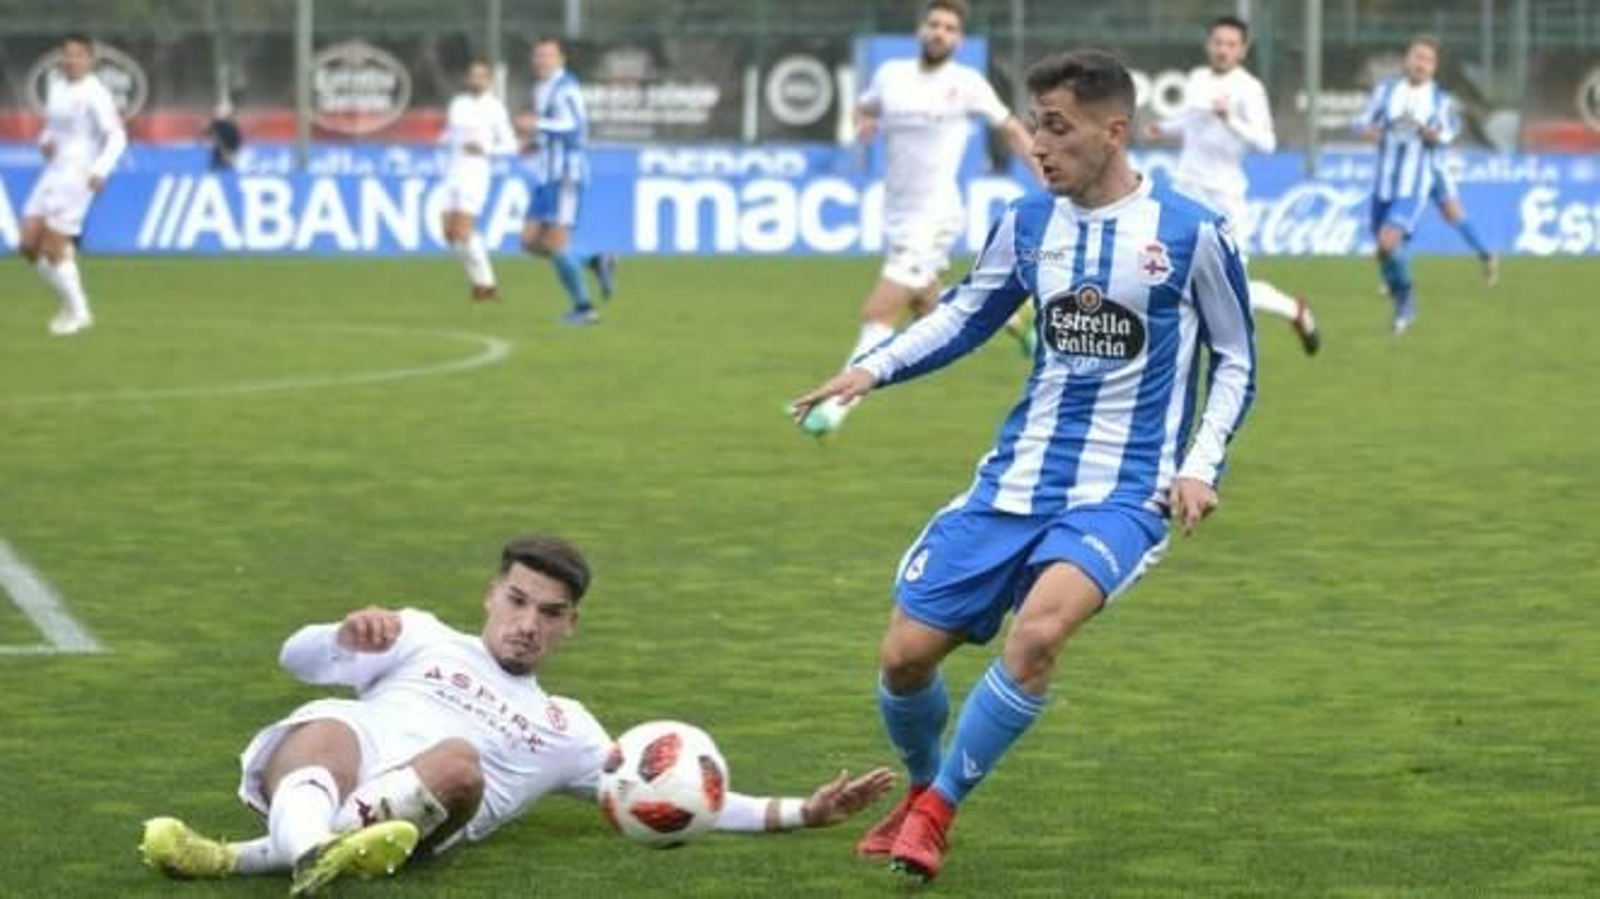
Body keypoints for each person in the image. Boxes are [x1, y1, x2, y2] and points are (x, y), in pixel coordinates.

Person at [790, 48, 1255, 883]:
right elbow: (967, 313)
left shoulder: (1191, 233)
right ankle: (922, 785)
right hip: (1014, 479)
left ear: (1115, 132)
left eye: (1057, 128)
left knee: (1038, 632)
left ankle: (936, 811)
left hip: (1125, 491)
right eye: (1036, 125)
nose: (1037, 145)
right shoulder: (1028, 222)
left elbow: (1236, 358)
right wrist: (873, 369)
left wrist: (1200, 462)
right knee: (903, 657)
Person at [138, 535, 893, 896]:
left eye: (550, 613)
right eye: (518, 600)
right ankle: (299, 853)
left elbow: (674, 796)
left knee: (459, 761)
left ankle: (253, 855)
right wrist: (343, 632)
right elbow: (294, 659)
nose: (528, 623)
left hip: (418, 817)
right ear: (490, 595)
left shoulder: (570, 729)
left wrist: (803, 811)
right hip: (338, 771)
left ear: (570, 626)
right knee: (333, 724)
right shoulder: (421, 633)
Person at [800, 0, 1042, 437]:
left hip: (935, 216)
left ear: (959, 39)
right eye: (934, 24)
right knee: (928, 304)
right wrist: (862, 121)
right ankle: (1014, 321)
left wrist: (1045, 176)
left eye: (949, 27)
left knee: (879, 309)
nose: (939, 32)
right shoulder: (891, 76)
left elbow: (1009, 127)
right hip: (897, 213)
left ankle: (832, 412)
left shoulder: (966, 83)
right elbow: (865, 107)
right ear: (921, 29)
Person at [1143, 14, 1319, 355]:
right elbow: (1191, 118)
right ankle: (1168, 349)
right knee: (1166, 270)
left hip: (1224, 195)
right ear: (1209, 45)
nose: (1223, 50)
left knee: (1231, 284)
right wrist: (1162, 128)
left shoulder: (1249, 89)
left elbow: (1267, 143)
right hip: (1186, 188)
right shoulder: (1197, 78)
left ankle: (1292, 310)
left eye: (1231, 44)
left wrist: (1230, 118)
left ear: (1243, 50)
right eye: (1218, 43)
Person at [17, 33, 126, 337]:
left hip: (78, 175)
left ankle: (79, 312)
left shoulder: (96, 93)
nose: (71, 59)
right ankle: (72, 303)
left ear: (90, 59)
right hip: (53, 171)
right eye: (67, 53)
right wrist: (44, 142)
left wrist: (101, 170)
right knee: (27, 244)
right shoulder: (58, 87)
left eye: (78, 54)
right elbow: (52, 129)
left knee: (53, 247)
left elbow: (117, 136)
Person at [1356, 35, 1456, 335]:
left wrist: (1433, 135)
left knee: (1388, 242)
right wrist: (1368, 130)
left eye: (1428, 60)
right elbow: (1362, 121)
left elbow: (1450, 133)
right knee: (1385, 250)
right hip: (1382, 185)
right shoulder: (1387, 91)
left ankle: (1405, 304)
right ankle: (1400, 297)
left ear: (1435, 67)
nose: (1421, 64)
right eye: (1417, 57)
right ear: (1406, 60)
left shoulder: (1439, 100)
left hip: (1413, 186)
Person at [520, 37, 616, 326]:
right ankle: (594, 260)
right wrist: (535, 143)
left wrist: (537, 124)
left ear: (561, 59)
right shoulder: (541, 89)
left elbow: (575, 127)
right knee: (529, 241)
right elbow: (552, 131)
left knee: (555, 243)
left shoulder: (567, 88)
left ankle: (584, 308)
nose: (542, 60)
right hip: (546, 174)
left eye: (548, 55)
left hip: (565, 175)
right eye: (538, 55)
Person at [441, 60, 518, 301]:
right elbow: (450, 135)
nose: (476, 80)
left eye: (481, 76)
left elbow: (511, 145)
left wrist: (486, 149)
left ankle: (487, 285)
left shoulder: (495, 107)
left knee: (463, 230)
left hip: (475, 174)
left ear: (489, 80)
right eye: (472, 75)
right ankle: (481, 284)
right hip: (452, 171)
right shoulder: (458, 104)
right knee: (449, 233)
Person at [1426, 154, 1498, 286]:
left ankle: (1486, 254)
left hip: (1431, 169)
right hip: (1404, 171)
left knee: (1453, 214)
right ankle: (1393, 276)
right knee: (1399, 221)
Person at [205, 100, 243, 171]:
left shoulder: (231, 127)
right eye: (217, 112)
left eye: (220, 112)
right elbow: (207, 135)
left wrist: (230, 154)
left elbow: (236, 142)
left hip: (227, 155)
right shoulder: (215, 125)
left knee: (226, 170)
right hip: (217, 156)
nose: (217, 114)